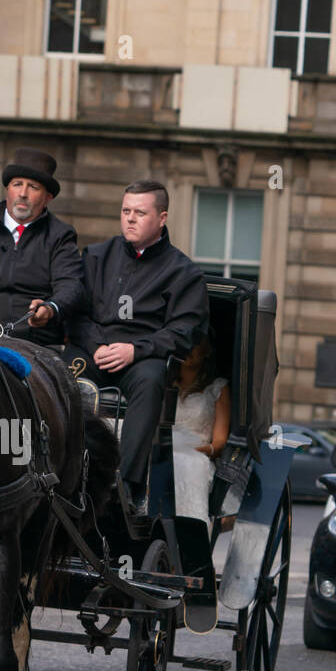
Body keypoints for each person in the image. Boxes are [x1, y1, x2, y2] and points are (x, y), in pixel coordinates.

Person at [68, 180, 209, 514]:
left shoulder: (183, 272)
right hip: (92, 350)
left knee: (151, 380)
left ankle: (125, 486)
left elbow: (186, 329)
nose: (129, 219)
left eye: (140, 213)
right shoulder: (96, 256)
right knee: (56, 374)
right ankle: (61, 472)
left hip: (142, 357)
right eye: (125, 211)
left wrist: (134, 349)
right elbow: (76, 314)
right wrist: (97, 344)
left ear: (161, 218)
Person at [0, 147, 86, 349]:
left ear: (48, 197)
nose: (23, 194)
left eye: (33, 187)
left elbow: (71, 286)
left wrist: (50, 308)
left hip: (34, 343)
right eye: (17, 184)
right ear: (7, 189)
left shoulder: (60, 235)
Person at [173, 336, 230, 524]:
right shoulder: (163, 384)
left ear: (206, 350)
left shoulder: (218, 387)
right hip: (161, 452)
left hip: (197, 456)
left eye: (195, 342)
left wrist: (189, 451)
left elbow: (219, 442)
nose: (189, 348)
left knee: (184, 464)